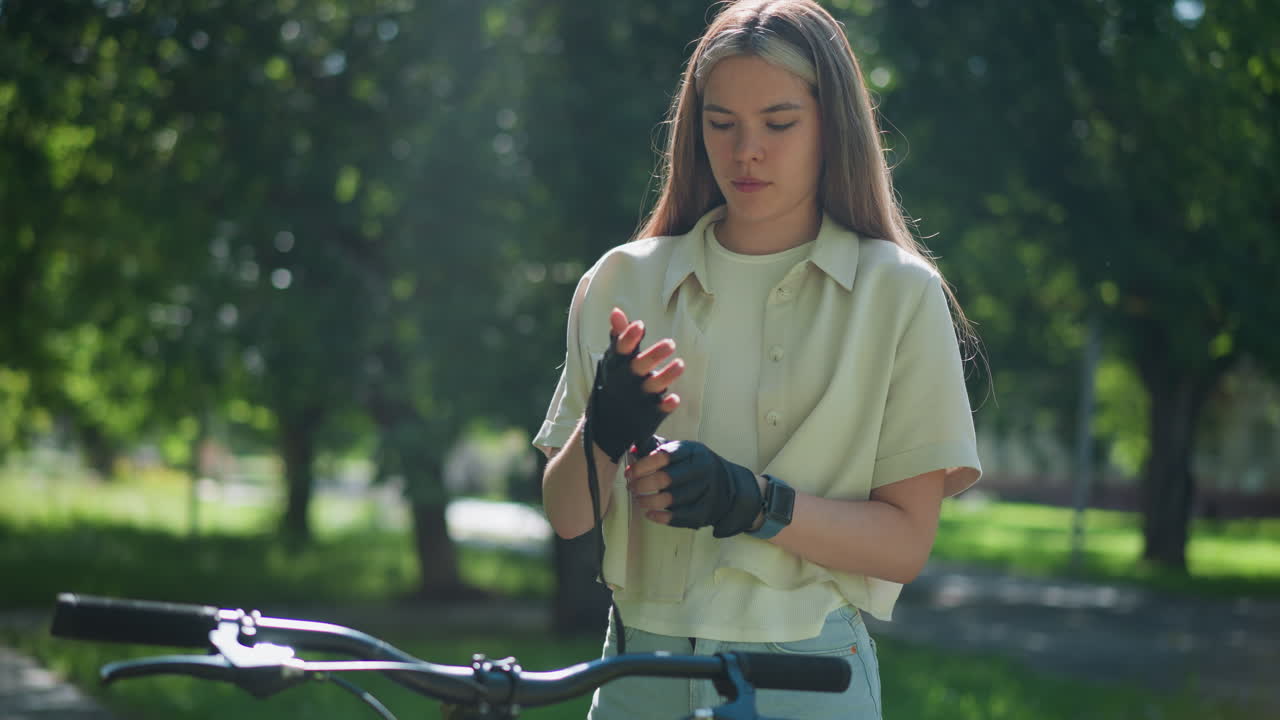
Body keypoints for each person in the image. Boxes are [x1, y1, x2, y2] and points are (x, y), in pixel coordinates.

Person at [533, 1, 982, 718]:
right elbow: (566, 517)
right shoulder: (621, 281)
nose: (747, 152)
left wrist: (753, 503)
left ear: (832, 125)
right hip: (635, 675)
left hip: (807, 680)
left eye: (779, 124)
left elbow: (904, 546)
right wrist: (602, 434)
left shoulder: (899, 294)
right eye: (721, 124)